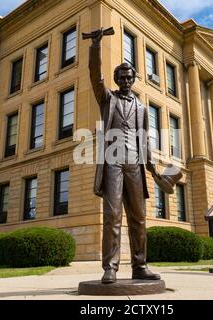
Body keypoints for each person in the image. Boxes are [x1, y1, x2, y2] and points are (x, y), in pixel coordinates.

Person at [88, 28, 161, 284]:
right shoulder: (107, 99)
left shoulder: (141, 108)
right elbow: (95, 77)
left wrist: (152, 167)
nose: (126, 81)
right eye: (122, 77)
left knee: (139, 217)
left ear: (134, 79)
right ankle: (110, 267)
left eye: (130, 77)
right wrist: (95, 47)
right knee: (112, 216)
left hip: (135, 164)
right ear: (117, 79)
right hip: (113, 162)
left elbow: (145, 139)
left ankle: (140, 266)